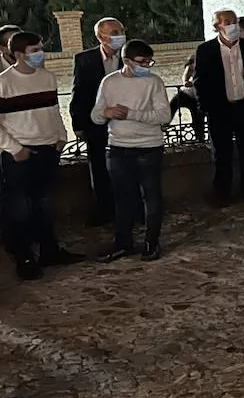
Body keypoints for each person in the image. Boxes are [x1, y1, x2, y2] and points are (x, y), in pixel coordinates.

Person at [0, 31, 77, 279]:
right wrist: (14, 148)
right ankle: (23, 256)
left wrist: (61, 136)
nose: (40, 54)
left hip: (47, 149)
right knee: (20, 207)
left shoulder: (47, 77)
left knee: (43, 203)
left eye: (40, 48)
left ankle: (49, 250)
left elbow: (53, 110)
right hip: (20, 153)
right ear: (18, 54)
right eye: (34, 50)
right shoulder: (4, 83)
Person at [92, 40, 170, 263]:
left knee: (151, 196)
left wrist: (132, 114)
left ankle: (151, 242)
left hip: (149, 146)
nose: (147, 66)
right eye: (142, 62)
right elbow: (95, 115)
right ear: (126, 61)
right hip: (119, 147)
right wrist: (107, 112)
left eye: (149, 62)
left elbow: (164, 116)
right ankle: (123, 243)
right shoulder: (109, 82)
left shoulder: (154, 82)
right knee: (123, 198)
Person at [193, 9, 244, 204]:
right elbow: (200, 82)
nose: (231, 25)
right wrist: (207, 108)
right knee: (221, 153)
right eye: (226, 22)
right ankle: (222, 192)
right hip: (220, 109)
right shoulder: (206, 50)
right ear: (217, 26)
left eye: (233, 21)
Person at [68, 16, 125, 226]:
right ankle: (104, 211)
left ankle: (130, 210)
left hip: (126, 122)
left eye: (121, 31)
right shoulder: (85, 59)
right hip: (97, 124)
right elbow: (79, 93)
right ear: (101, 36)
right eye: (114, 32)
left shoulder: (129, 56)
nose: (120, 36)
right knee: (100, 170)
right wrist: (78, 124)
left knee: (126, 170)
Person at [169, 55, 204, 141]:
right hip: (185, 94)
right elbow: (185, 77)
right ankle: (164, 125)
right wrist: (186, 82)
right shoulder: (191, 66)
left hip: (197, 98)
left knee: (198, 118)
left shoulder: (206, 67)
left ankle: (200, 138)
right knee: (172, 107)